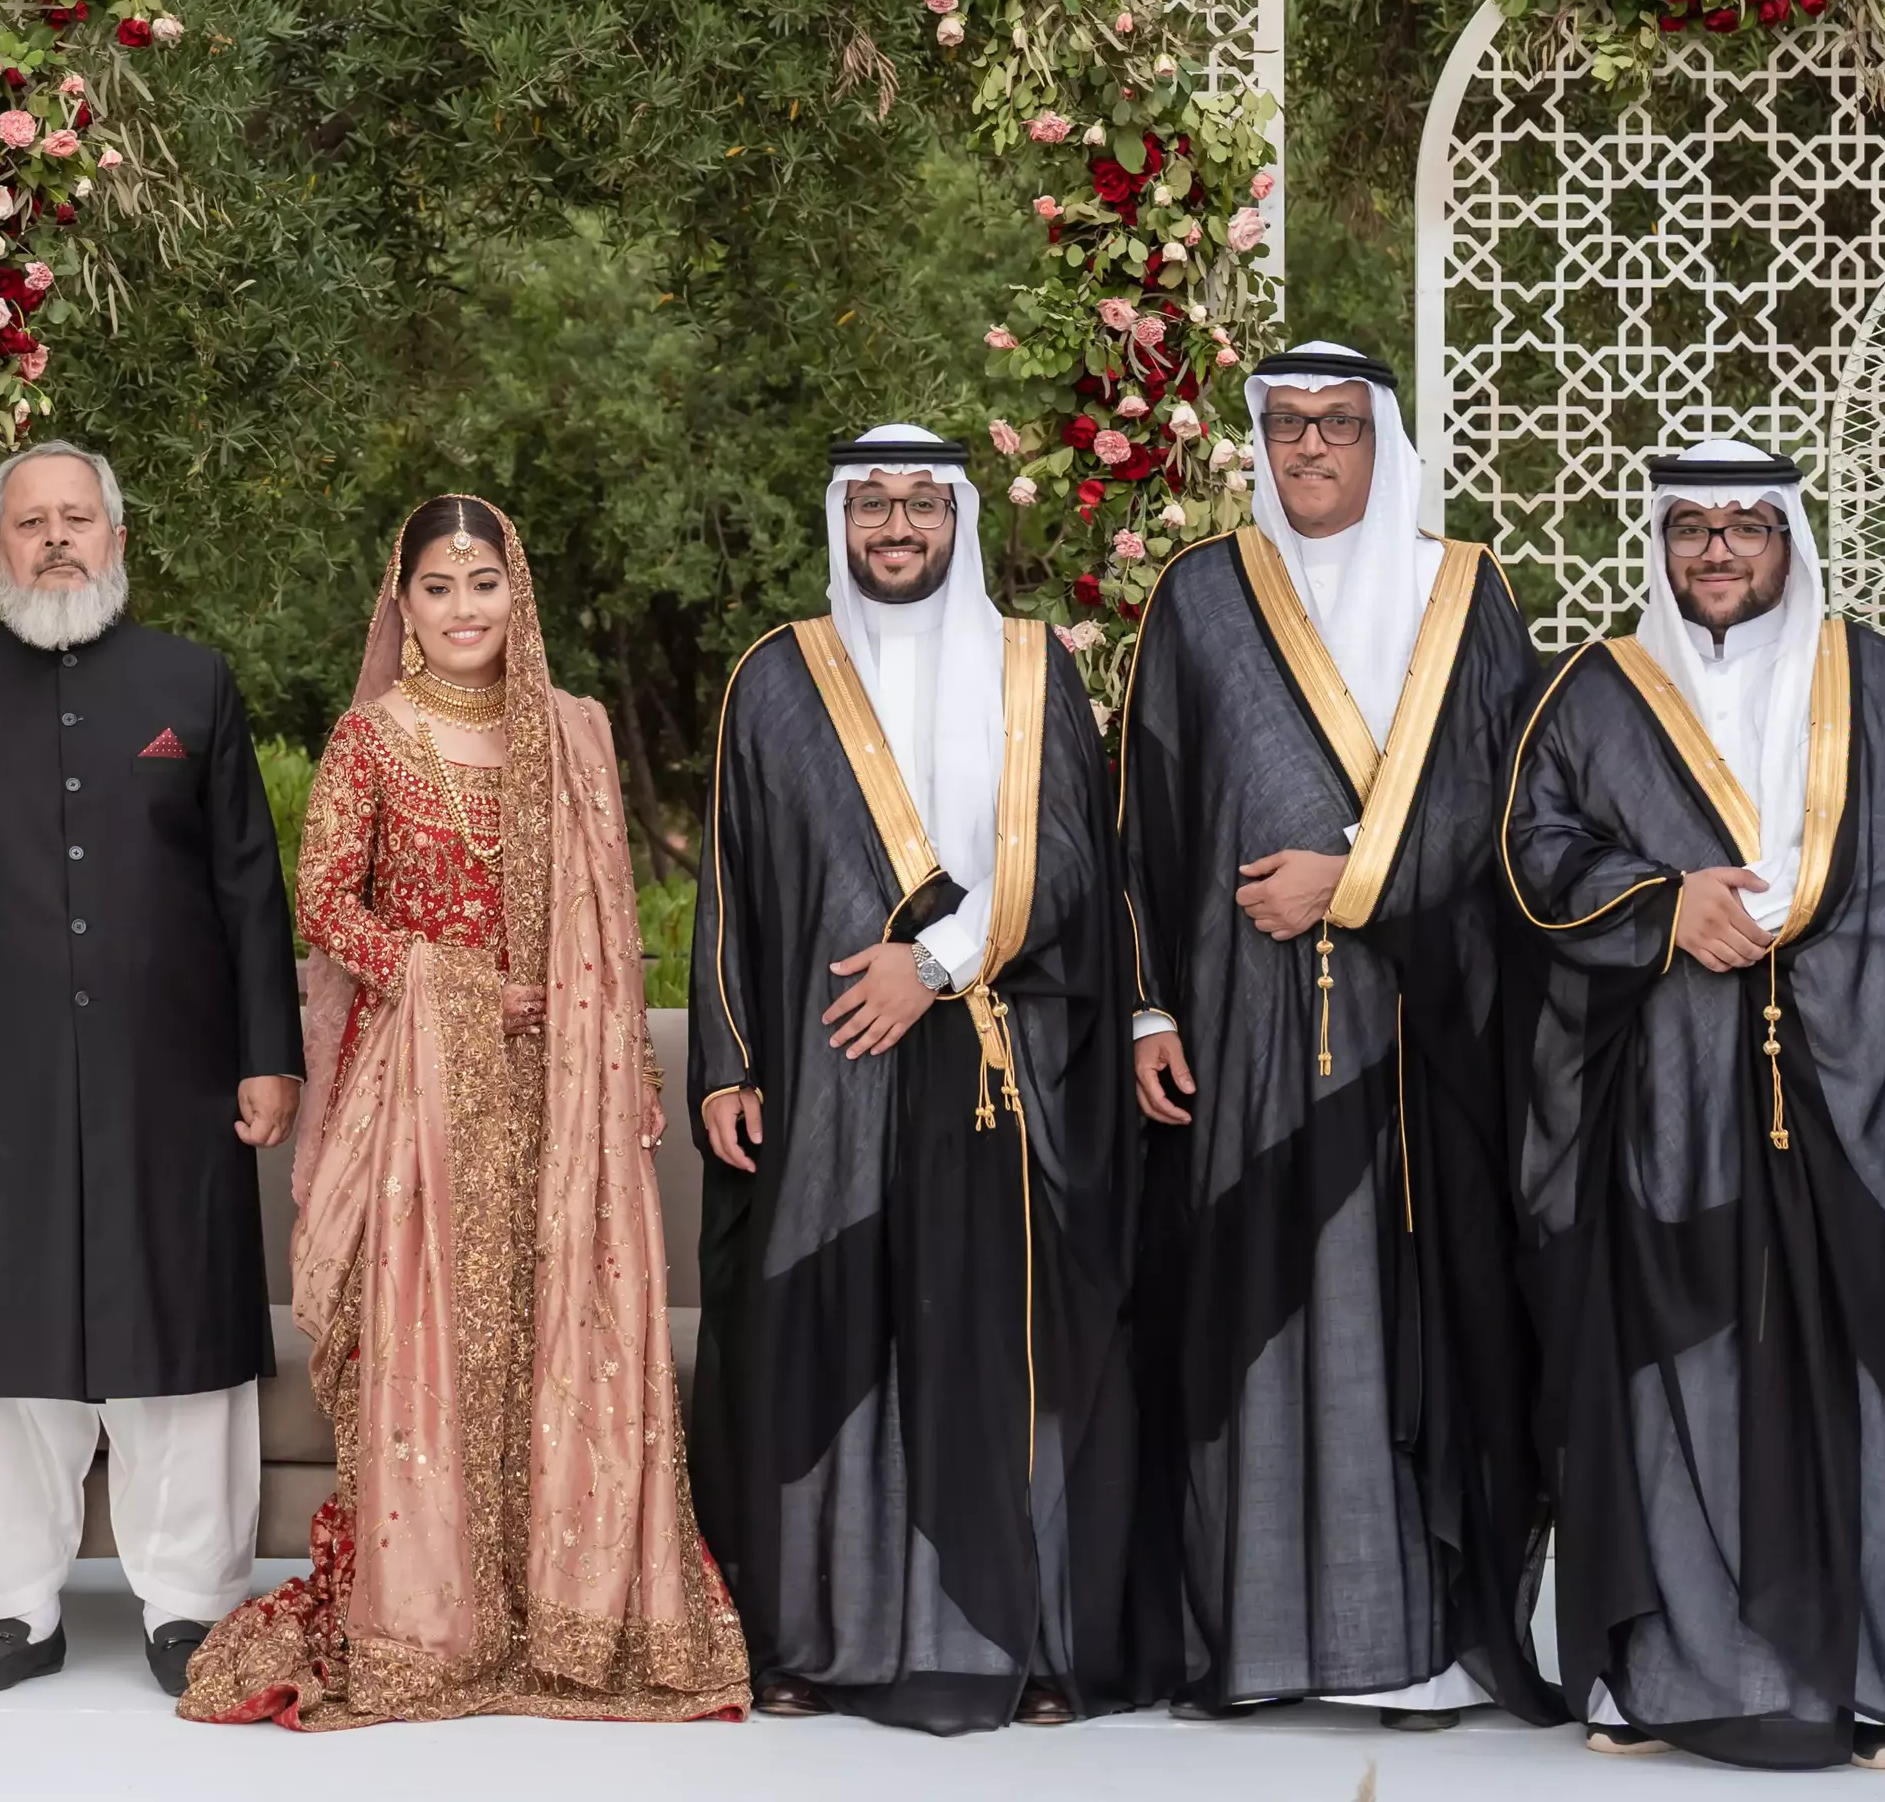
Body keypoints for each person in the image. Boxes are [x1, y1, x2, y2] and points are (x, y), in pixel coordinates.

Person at [182, 495, 746, 1728]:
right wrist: (454, 983)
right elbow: (326, 904)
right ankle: (431, 1624)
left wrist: (633, 1077)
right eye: (435, 588)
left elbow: (610, 939)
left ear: (517, 589)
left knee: (556, 1343)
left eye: (482, 582)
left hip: (565, 1099)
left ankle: (568, 1615)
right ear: (403, 603)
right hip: (422, 1100)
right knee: (429, 1349)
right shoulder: (371, 738)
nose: (461, 610)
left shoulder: (577, 735)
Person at [1500, 441, 1885, 1767]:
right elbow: (1535, 852)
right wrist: (1667, 908)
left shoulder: (1867, 676)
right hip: (1659, 1092)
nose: (1718, 550)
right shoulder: (1594, 691)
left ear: (1789, 543)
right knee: (1662, 1368)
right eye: (1695, 528)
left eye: (1749, 527)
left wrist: (1792, 921)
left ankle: (1882, 1678)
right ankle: (1656, 1668)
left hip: (1852, 1082)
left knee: (1869, 1369)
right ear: (1660, 544)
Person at [1113, 340, 1552, 1727]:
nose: (1310, 449)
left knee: (1414, 1320)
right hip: (1240, 1033)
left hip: (1431, 1038)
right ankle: (1254, 1634)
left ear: (1384, 442)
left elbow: (1512, 816)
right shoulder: (1201, 597)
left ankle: (1415, 1638)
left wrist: (1346, 883)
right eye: (1289, 426)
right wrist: (1148, 1006)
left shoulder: (1465, 597)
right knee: (1252, 1306)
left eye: (1338, 427)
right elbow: (1148, 825)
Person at [686, 424, 1144, 1733]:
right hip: (826, 1074)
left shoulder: (1029, 670)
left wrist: (931, 965)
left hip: (1003, 1073)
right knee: (819, 1336)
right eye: (873, 507)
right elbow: (731, 883)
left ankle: (1024, 1642)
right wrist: (726, 1058)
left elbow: (1069, 863)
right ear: (840, 520)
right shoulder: (775, 677)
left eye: (920, 507)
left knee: (999, 1345)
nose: (896, 529)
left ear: (959, 522)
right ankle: (806, 1637)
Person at [0, 441, 300, 1698]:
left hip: (178, 1076)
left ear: (116, 537)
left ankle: (193, 1610)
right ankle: (5, 1611)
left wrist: (272, 1055)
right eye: (30, 522)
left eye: (78, 518)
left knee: (183, 1340)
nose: (56, 539)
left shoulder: (192, 683)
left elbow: (249, 888)